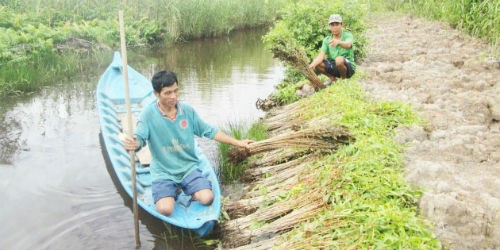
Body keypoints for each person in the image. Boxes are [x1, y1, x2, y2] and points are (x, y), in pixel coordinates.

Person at [122, 70, 254, 216]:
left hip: (188, 168)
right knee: (165, 210)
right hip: (163, 171)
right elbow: (139, 137)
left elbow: (209, 131)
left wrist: (238, 143)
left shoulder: (187, 111)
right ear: (156, 94)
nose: (173, 96)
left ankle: (186, 189)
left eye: (175, 91)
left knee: (207, 198)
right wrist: (134, 144)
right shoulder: (148, 114)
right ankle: (171, 190)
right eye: (167, 93)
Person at [309, 14, 356, 85]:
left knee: (339, 60)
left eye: (337, 24)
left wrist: (339, 42)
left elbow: (348, 45)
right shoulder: (326, 40)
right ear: (329, 26)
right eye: (332, 25)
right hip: (334, 65)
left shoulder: (348, 35)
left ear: (341, 24)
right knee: (317, 63)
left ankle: (344, 80)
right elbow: (321, 56)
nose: (335, 27)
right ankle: (332, 78)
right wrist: (312, 65)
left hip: (347, 67)